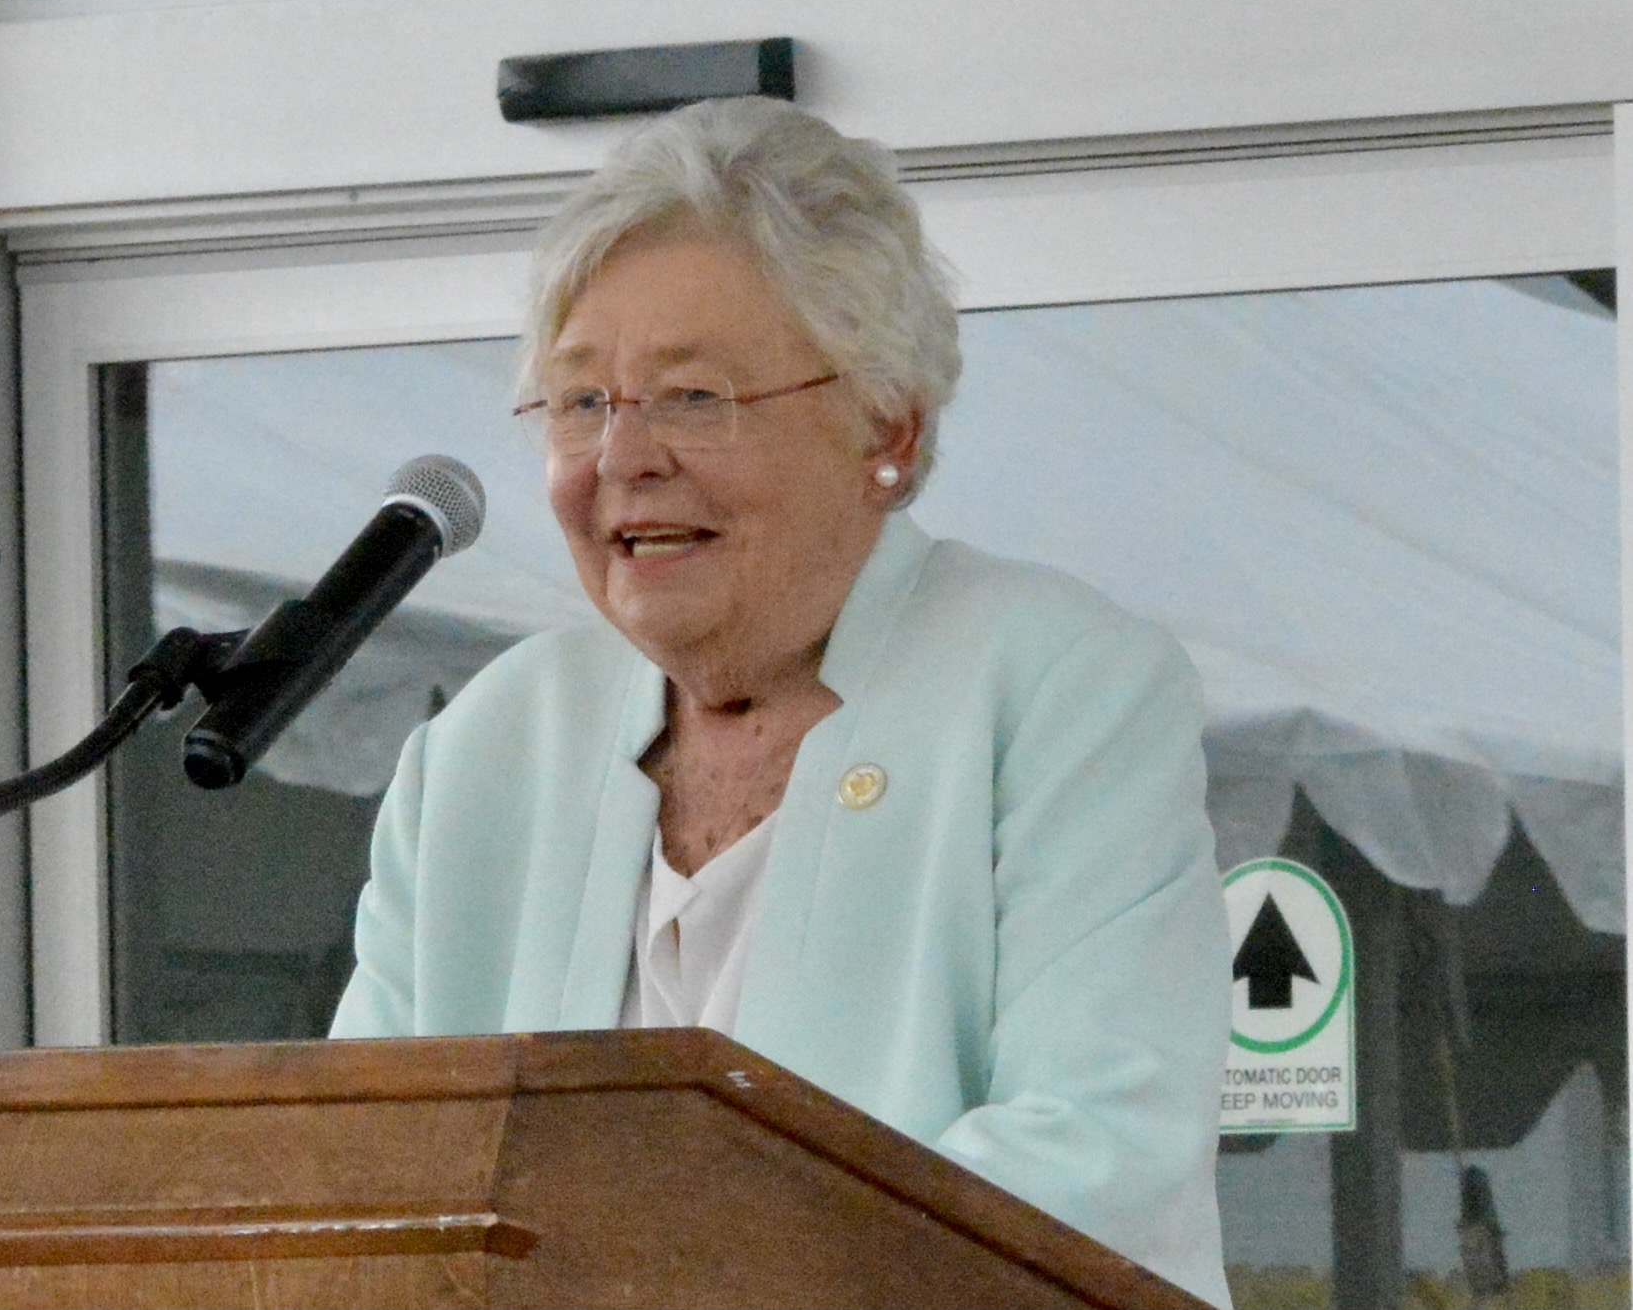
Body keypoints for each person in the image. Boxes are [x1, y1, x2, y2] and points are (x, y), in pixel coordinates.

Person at [332, 98, 1231, 1305]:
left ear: (887, 427)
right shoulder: (485, 747)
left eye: (695, 397)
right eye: (582, 401)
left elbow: (1094, 1155)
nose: (624, 456)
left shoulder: (1064, 685)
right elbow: (356, 1182)